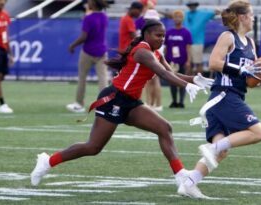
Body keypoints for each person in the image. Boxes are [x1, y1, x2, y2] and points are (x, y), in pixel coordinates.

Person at [30, 20, 214, 193]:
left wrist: (196, 80)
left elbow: (171, 72)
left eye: (163, 36)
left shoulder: (156, 53)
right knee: (93, 147)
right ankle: (47, 161)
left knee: (164, 128)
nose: (162, 39)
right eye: (158, 35)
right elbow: (163, 75)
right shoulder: (143, 52)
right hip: (114, 100)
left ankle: (180, 175)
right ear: (146, 35)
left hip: (131, 103)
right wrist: (186, 86)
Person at [177, 1, 261, 198]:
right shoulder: (228, 36)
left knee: (221, 153)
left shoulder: (250, 43)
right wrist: (241, 69)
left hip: (234, 95)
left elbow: (249, 81)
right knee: (258, 133)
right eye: (252, 14)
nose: (254, 18)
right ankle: (211, 147)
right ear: (242, 16)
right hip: (224, 94)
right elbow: (214, 62)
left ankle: (189, 183)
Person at [66, 0, 110, 113]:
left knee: (82, 78)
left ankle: (79, 104)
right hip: (102, 51)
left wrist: (72, 45)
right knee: (103, 79)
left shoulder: (88, 18)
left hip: (88, 51)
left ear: (93, 4)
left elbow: (84, 37)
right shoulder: (105, 17)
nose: (87, 3)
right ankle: (104, 104)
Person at [164, 10, 192, 108]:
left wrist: (188, 61)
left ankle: (181, 101)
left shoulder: (186, 32)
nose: (177, 19)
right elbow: (166, 47)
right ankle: (174, 101)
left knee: (182, 80)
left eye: (179, 17)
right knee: (172, 81)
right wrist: (164, 60)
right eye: (175, 17)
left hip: (182, 60)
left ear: (182, 18)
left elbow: (188, 48)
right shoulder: (169, 32)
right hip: (171, 61)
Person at [183, 1, 220, 75]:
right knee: (188, 63)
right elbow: (172, 15)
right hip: (186, 43)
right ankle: (188, 81)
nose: (192, 6)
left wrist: (217, 9)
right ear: (188, 6)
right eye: (190, 5)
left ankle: (200, 81)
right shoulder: (185, 14)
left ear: (196, 6)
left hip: (197, 43)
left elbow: (217, 12)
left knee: (198, 63)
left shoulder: (203, 13)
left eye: (193, 5)